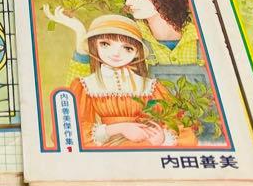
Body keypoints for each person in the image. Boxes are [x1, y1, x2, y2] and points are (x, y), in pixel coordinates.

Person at [45, 0, 202, 82]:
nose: (128, 2)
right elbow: (80, 88)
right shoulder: (128, 39)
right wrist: (80, 33)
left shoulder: (201, 38)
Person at [62, 15, 173, 148]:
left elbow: (176, 123)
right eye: (105, 44)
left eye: (127, 48)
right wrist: (120, 128)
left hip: (146, 146)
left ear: (137, 52)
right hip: (108, 148)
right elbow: (72, 130)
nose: (116, 53)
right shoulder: (86, 85)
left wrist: (162, 138)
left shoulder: (152, 87)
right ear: (94, 45)